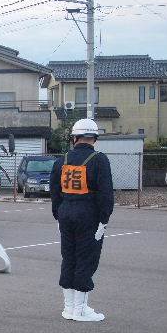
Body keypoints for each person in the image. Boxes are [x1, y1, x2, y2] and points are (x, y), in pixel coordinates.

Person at [50, 118, 114, 322]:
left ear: (74, 137)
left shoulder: (62, 160)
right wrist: (104, 220)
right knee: (87, 259)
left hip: (66, 212)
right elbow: (106, 194)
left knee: (69, 257)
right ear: (94, 138)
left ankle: (69, 307)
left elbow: (54, 191)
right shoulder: (99, 159)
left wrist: (58, 215)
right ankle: (80, 310)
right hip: (89, 215)